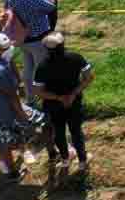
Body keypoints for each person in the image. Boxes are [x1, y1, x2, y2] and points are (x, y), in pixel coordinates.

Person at [31, 31, 92, 179]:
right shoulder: (75, 58)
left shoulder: (43, 66)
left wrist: (58, 98)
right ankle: (82, 161)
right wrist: (73, 94)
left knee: (58, 131)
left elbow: (38, 91)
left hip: (53, 105)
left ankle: (65, 160)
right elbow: (88, 77)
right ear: (63, 45)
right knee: (76, 131)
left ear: (47, 49)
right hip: (74, 101)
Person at [0, 33, 38, 182]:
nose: (10, 49)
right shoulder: (2, 70)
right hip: (8, 112)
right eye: (6, 47)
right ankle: (11, 173)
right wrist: (23, 115)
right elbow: (13, 96)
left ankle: (12, 161)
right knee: (7, 141)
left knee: (3, 138)